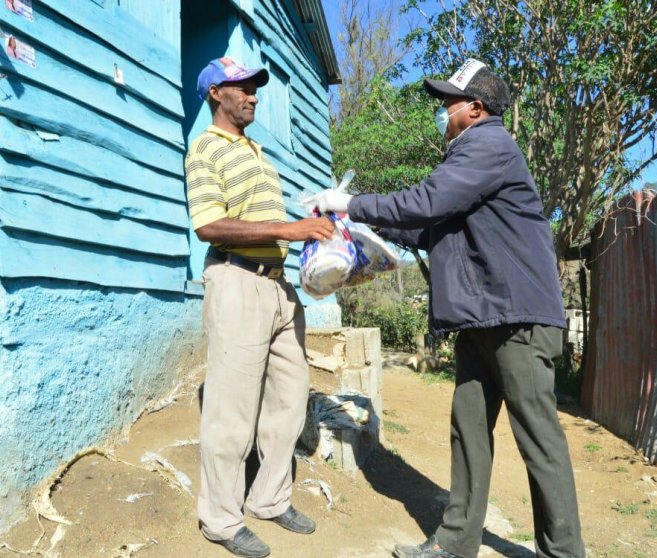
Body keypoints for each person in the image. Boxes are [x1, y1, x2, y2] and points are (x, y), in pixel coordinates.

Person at [311, 59, 585, 558]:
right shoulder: (471, 160)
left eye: (448, 104)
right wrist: (368, 228)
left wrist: (351, 204)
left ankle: (563, 553)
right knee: (469, 431)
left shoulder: (489, 145)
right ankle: (456, 543)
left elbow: (428, 201)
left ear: (475, 109)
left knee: (538, 437)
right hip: (485, 317)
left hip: (517, 319)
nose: (442, 113)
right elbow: (429, 225)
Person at [185, 57, 335, 558]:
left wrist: (308, 224)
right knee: (231, 410)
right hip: (236, 280)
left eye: (255, 88)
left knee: (289, 399)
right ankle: (221, 519)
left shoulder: (256, 152)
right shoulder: (205, 148)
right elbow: (208, 225)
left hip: (277, 287)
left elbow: (264, 220)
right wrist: (289, 229)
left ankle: (269, 498)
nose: (253, 95)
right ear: (216, 94)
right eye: (242, 87)